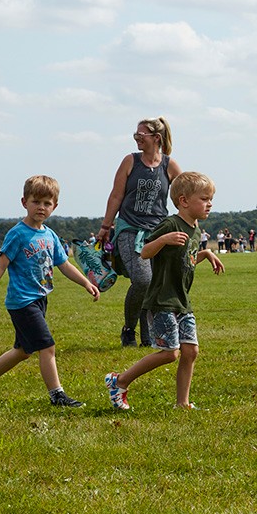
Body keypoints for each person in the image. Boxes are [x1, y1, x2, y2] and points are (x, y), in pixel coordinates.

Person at [0, 176, 99, 407]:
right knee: (47, 347)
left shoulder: (49, 235)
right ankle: (57, 395)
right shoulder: (18, 234)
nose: (41, 207)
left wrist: (86, 283)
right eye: (36, 201)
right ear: (24, 202)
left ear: (55, 206)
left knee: (23, 351)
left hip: (40, 300)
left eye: (47, 203)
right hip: (22, 302)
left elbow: (64, 264)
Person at [105, 172, 225, 411]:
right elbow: (145, 252)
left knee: (190, 351)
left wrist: (206, 254)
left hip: (181, 301)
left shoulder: (195, 230)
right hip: (162, 300)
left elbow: (187, 258)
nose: (209, 204)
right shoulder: (170, 224)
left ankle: (182, 403)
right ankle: (120, 381)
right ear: (184, 201)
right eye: (204, 199)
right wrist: (164, 239)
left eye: (210, 199)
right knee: (170, 353)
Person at [95, 118, 182, 348]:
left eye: (141, 135)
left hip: (158, 233)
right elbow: (116, 195)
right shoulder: (130, 161)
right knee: (143, 280)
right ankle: (128, 330)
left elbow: (183, 194)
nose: (137, 139)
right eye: (136, 135)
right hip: (129, 229)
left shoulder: (169, 165)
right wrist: (105, 226)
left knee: (154, 285)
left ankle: (147, 337)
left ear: (157, 138)